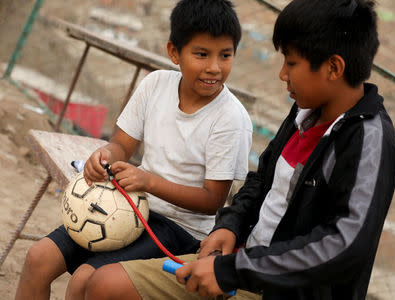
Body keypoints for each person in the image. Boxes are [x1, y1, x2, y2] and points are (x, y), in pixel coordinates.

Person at [83, 0, 395, 299]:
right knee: (104, 285)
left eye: (291, 63)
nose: (283, 75)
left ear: (333, 68)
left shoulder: (369, 138)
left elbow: (346, 245)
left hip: (278, 289)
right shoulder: (305, 112)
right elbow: (261, 180)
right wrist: (230, 226)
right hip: (238, 265)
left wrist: (232, 270)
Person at [15, 0, 252, 299]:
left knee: (85, 280)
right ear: (174, 52)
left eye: (225, 55)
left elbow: (212, 200)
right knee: (38, 257)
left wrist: (148, 182)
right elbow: (120, 145)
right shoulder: (155, 85)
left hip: (179, 229)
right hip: (130, 207)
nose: (214, 67)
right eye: (202, 54)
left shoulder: (231, 118)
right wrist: (104, 157)